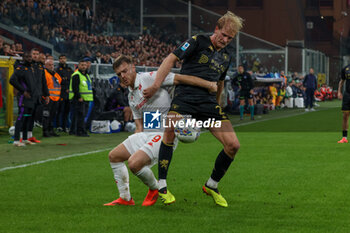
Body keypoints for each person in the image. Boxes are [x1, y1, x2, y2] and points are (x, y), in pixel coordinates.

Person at [143, 11, 243, 207]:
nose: (224, 40)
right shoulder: (197, 41)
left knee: (233, 145)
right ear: (216, 28)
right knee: (170, 129)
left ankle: (211, 185)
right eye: (223, 35)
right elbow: (170, 60)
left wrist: (217, 103)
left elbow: (220, 82)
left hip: (207, 103)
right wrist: (156, 84)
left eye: (229, 38)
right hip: (185, 97)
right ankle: (161, 184)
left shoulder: (226, 56)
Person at [104, 55, 217, 206]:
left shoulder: (149, 78)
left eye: (125, 71)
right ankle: (125, 198)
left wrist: (209, 84)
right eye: (119, 74)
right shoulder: (131, 96)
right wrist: (136, 144)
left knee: (134, 164)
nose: (122, 76)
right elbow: (139, 126)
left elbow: (179, 79)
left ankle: (155, 188)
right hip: (149, 132)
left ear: (133, 68)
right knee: (114, 156)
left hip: (165, 133)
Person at [9, 52, 37, 146]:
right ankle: (16, 140)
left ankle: (25, 139)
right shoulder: (20, 68)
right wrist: (23, 91)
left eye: (30, 56)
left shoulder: (31, 68)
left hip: (31, 97)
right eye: (27, 57)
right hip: (23, 97)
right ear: (23, 58)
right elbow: (12, 80)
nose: (29, 58)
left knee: (27, 118)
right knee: (21, 118)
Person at [26, 48, 50, 143]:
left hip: (37, 96)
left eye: (37, 54)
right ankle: (21, 136)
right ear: (30, 55)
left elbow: (43, 82)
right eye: (33, 54)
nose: (35, 56)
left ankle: (29, 135)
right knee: (25, 116)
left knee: (32, 116)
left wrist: (46, 95)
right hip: (28, 96)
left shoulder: (40, 67)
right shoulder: (25, 65)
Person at [69, 60, 93, 137]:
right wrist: (78, 97)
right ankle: (80, 131)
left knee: (81, 116)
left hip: (86, 99)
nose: (83, 66)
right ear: (78, 66)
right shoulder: (76, 75)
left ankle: (75, 130)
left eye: (85, 65)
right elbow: (75, 87)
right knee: (81, 116)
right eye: (82, 65)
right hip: (80, 99)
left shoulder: (86, 75)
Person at [42, 59, 62, 137]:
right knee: (46, 116)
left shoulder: (56, 74)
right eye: (49, 65)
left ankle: (51, 130)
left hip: (56, 99)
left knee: (52, 116)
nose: (51, 66)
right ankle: (45, 131)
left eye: (52, 65)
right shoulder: (44, 73)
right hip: (47, 99)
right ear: (45, 65)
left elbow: (60, 83)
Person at [56, 54, 72, 132]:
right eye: (61, 58)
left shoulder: (69, 69)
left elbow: (71, 80)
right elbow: (58, 81)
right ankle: (59, 126)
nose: (63, 60)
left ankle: (65, 126)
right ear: (59, 60)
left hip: (68, 93)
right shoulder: (57, 69)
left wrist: (69, 88)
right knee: (60, 110)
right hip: (61, 92)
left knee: (67, 110)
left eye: (64, 58)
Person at [337, 64, 350, 143]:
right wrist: (339, 92)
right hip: (347, 95)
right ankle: (344, 137)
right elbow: (342, 81)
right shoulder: (346, 68)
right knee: (345, 116)